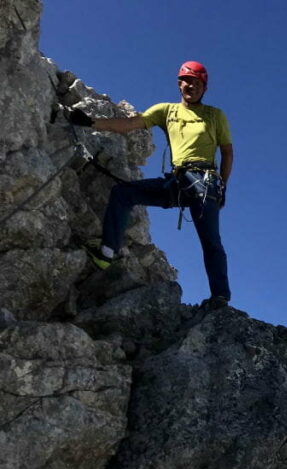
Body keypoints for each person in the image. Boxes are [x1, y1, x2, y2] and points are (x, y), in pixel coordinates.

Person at [69, 61, 234, 307]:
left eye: (197, 83)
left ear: (204, 88)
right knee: (123, 193)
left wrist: (222, 186)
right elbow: (130, 124)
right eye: (187, 81)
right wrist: (91, 122)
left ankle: (220, 297)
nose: (192, 86)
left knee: (210, 240)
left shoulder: (214, 115)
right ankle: (107, 252)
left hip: (204, 182)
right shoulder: (166, 111)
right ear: (179, 84)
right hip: (179, 183)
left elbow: (227, 152)